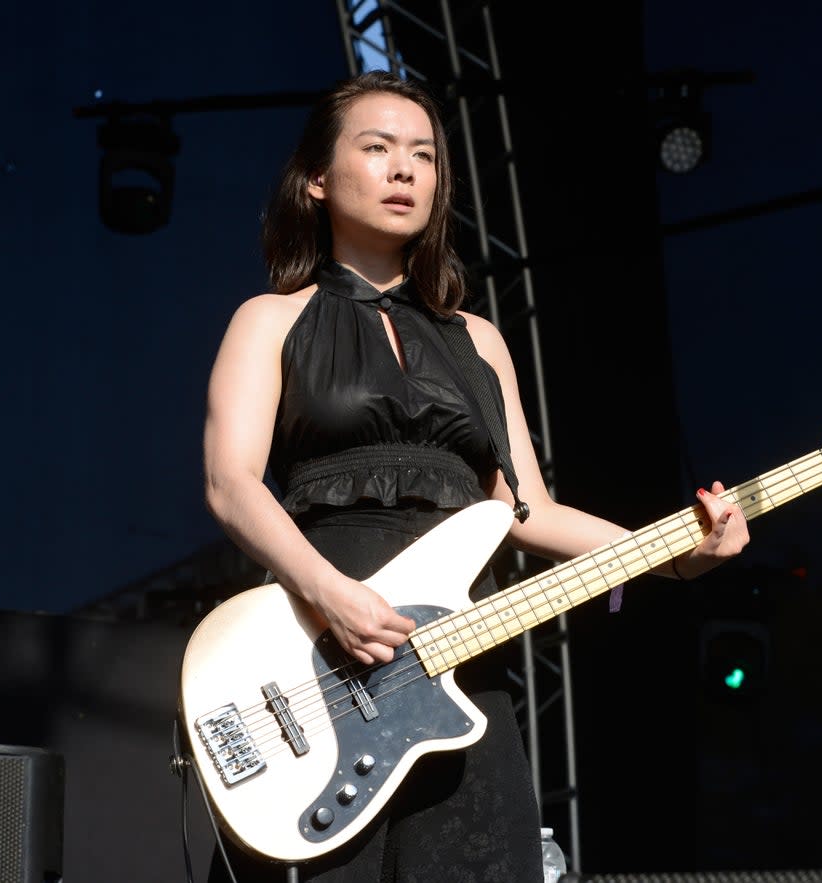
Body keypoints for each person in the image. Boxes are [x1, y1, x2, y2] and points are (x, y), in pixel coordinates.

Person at [201, 69, 750, 883]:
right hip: (320, 654)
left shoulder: (479, 340)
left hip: (460, 667)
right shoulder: (269, 319)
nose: (404, 169)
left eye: (423, 154)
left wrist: (673, 549)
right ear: (316, 178)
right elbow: (231, 483)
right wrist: (328, 591)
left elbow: (525, 510)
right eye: (378, 148)